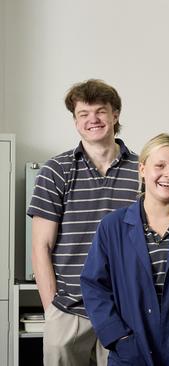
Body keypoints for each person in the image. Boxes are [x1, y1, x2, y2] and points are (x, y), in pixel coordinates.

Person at [27, 79, 140, 366]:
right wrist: (52, 309)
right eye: (83, 114)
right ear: (75, 121)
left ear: (115, 115)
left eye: (100, 111)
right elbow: (41, 245)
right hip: (69, 310)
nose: (93, 120)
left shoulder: (142, 170)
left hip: (124, 310)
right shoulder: (56, 170)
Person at [80, 133, 169, 365]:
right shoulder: (113, 226)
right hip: (131, 351)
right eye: (159, 166)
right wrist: (118, 336)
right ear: (142, 169)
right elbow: (94, 286)